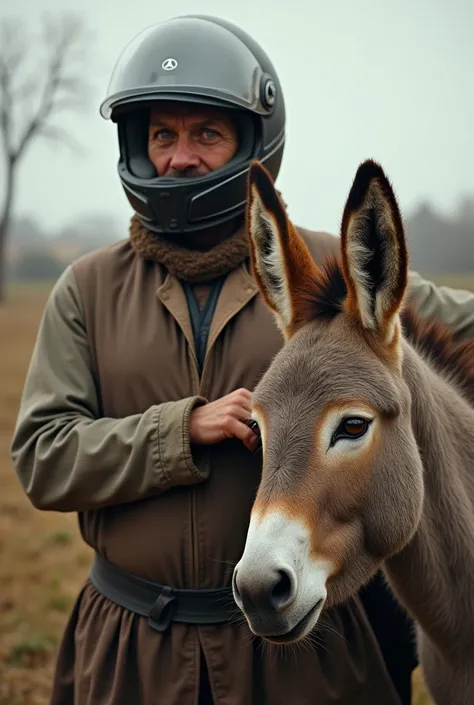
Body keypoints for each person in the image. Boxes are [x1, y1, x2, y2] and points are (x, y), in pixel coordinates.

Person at [10, 15, 474, 705]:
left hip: (305, 655)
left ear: (249, 142)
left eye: (206, 133)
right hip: (133, 649)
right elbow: (42, 458)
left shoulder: (324, 271)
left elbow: (443, 325)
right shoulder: (85, 290)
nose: (180, 157)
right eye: (161, 135)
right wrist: (178, 431)